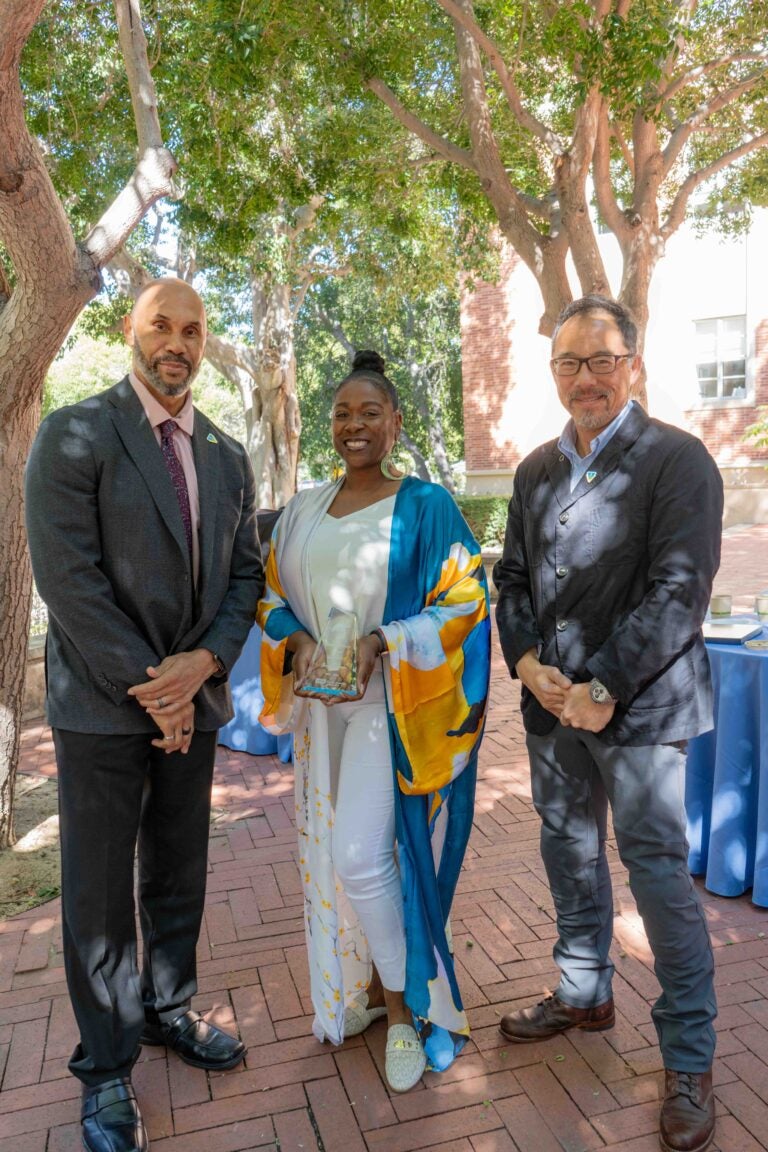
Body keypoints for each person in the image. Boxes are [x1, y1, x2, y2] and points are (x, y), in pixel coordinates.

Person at [25, 279, 263, 1152]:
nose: (177, 342)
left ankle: (168, 1010)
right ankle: (108, 1067)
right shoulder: (75, 433)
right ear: (130, 330)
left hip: (191, 702)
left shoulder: (230, 457)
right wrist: (151, 687)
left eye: (192, 329)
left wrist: (203, 667)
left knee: (178, 872)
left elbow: (245, 577)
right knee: (96, 896)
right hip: (99, 708)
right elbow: (69, 583)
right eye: (161, 325)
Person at [493, 295, 723, 1152]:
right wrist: (525, 664)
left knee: (657, 874)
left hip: (641, 707)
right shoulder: (533, 471)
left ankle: (691, 1058)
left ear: (632, 362)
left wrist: (603, 686)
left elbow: (679, 593)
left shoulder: (678, 460)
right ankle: (584, 990)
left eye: (601, 360)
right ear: (553, 373)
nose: (585, 378)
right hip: (552, 708)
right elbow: (511, 578)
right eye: (569, 363)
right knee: (568, 851)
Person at [257, 350, 490, 1092]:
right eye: (342, 412)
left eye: (369, 412)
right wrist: (295, 641)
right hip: (319, 712)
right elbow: (269, 596)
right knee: (334, 857)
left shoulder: (425, 506)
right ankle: (357, 991)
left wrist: (381, 643)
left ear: (395, 422)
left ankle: (404, 1011)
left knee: (362, 854)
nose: (353, 424)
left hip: (391, 707)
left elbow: (465, 601)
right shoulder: (302, 509)